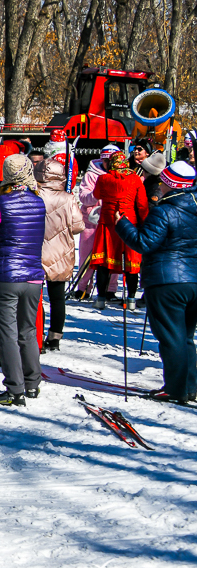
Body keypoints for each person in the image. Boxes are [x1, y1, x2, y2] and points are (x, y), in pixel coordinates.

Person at [116, 161, 197, 403]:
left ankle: (175, 389)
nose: (159, 185)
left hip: (166, 280)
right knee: (185, 337)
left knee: (171, 338)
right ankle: (189, 386)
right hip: (192, 279)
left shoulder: (164, 211)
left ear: (171, 185)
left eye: (163, 181)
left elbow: (144, 243)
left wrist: (122, 224)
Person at [0, 153, 46, 406]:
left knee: (7, 332)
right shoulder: (39, 202)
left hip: (6, 273)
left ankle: (15, 389)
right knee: (28, 330)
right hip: (33, 274)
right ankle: (32, 382)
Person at [37, 154, 84, 351]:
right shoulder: (68, 198)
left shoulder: (34, 195)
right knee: (57, 298)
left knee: (36, 298)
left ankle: (37, 335)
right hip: (60, 252)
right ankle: (55, 337)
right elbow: (79, 226)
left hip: (36, 250)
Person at [90, 151, 149, 310]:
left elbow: (96, 194)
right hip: (129, 222)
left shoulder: (104, 178)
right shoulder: (135, 179)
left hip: (108, 224)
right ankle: (131, 299)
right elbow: (142, 204)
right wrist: (144, 223)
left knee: (103, 262)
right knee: (130, 263)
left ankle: (101, 299)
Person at [75, 144, 118, 299]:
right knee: (87, 255)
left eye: (111, 161)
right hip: (92, 221)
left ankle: (110, 289)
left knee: (112, 257)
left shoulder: (121, 175)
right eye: (106, 160)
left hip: (112, 221)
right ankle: (83, 287)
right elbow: (83, 196)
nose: (108, 164)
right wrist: (97, 194)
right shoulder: (92, 174)